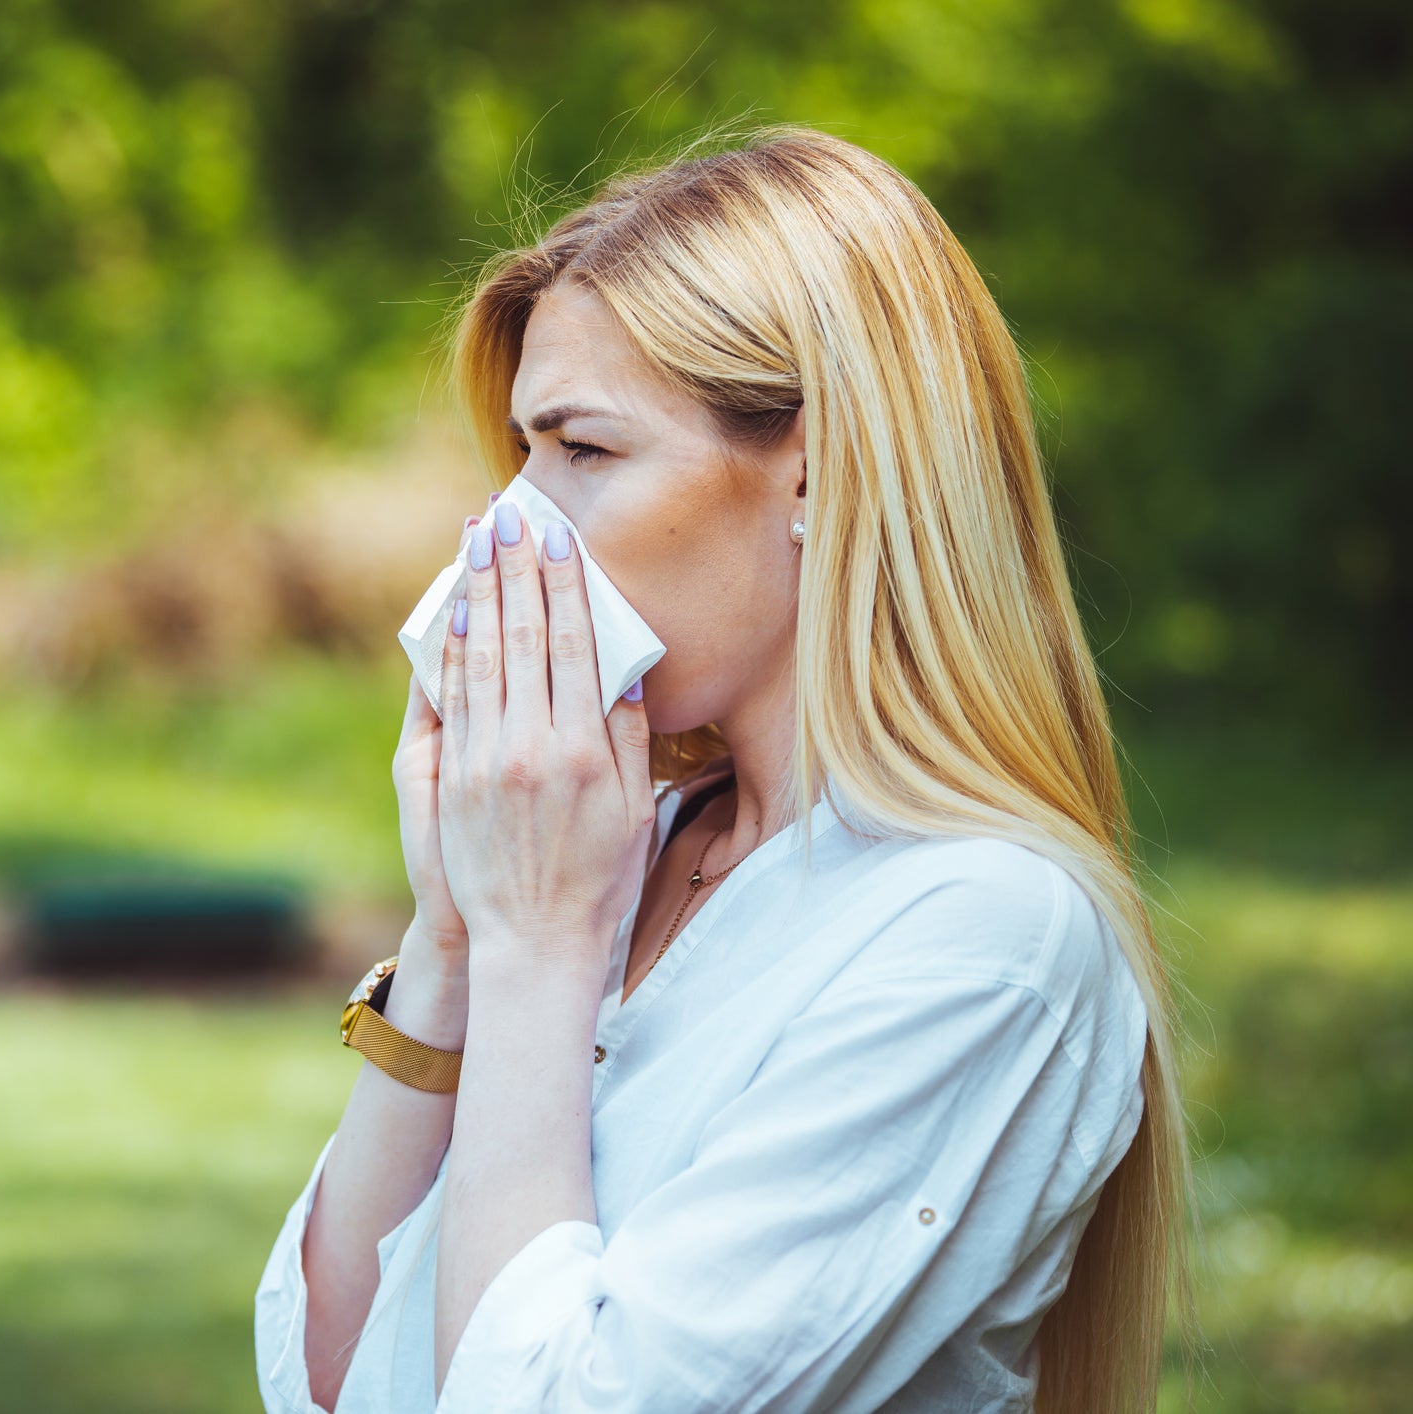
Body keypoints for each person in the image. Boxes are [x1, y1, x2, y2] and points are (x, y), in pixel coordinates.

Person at [254, 123, 1195, 1414]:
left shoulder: (982, 939)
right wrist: (457, 940)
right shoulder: (616, 847)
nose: (505, 531)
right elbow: (321, 1373)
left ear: (817, 466)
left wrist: (534, 944)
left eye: (584, 452)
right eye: (521, 457)